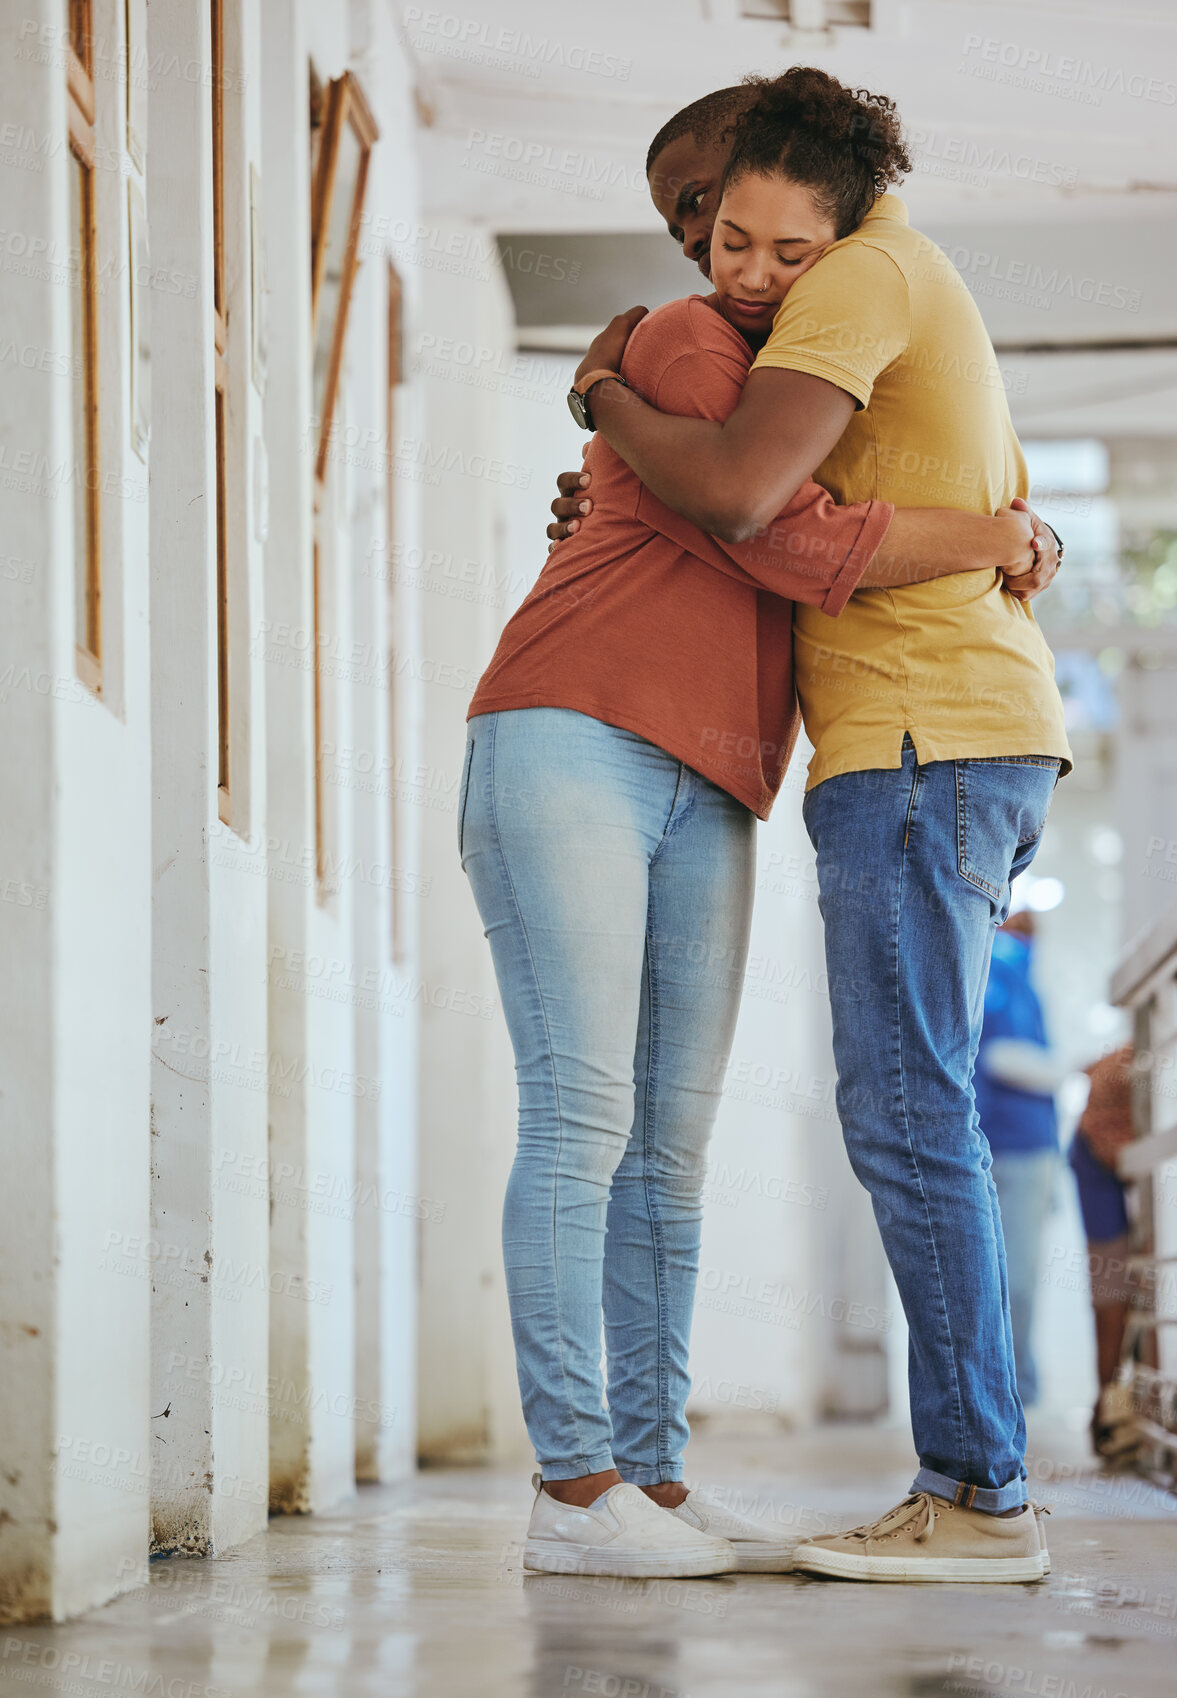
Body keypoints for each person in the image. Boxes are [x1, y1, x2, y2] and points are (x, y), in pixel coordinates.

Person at [458, 86, 1058, 1581]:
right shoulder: (676, 339)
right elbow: (767, 525)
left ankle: (656, 1482)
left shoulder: (801, 333)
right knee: (592, 1115)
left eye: (722, 212)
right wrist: (993, 531)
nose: (706, 249)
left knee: (683, 1143)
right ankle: (582, 1482)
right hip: (589, 729)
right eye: (695, 225)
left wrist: (616, 428)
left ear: (810, 199)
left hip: (751, 764)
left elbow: (758, 509)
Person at [974, 909, 1067, 1409]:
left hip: (1005, 1145)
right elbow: (1004, 1055)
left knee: (1005, 1279)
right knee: (1014, 1279)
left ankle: (1013, 1391)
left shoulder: (1009, 973)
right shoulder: (1009, 967)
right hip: (1019, 1148)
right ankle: (1012, 1393)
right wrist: (1067, 1070)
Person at [1069, 1043, 1145, 1461]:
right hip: (1097, 1157)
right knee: (1113, 1285)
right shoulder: (1125, 1064)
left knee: (1147, 1281)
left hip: (1137, 1152)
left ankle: (1130, 1409)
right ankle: (1108, 1407)